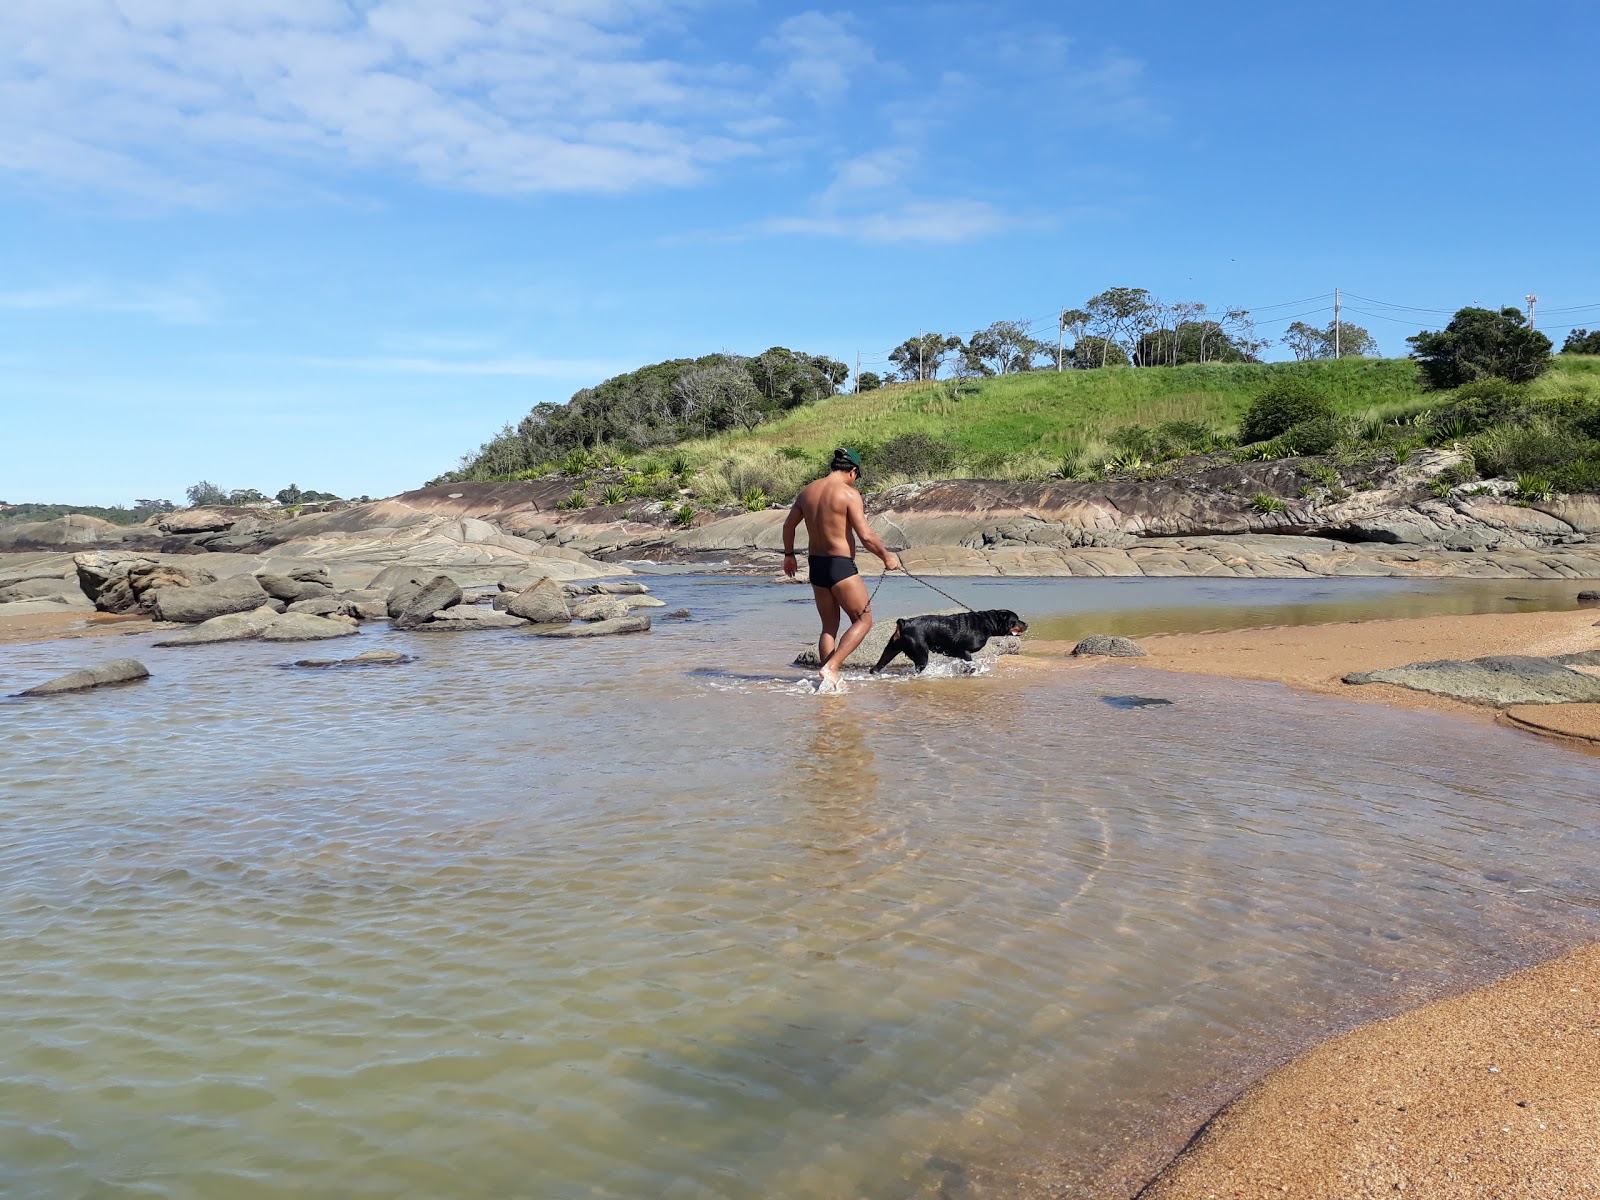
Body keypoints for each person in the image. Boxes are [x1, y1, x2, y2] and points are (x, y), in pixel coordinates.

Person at [782, 447, 901, 691]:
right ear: (853, 471)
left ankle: (828, 680)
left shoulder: (808, 491)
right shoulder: (848, 494)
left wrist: (789, 555)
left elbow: (788, 525)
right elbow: (866, 536)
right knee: (864, 620)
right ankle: (831, 668)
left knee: (829, 627)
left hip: (816, 565)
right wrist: (887, 557)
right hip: (840, 565)